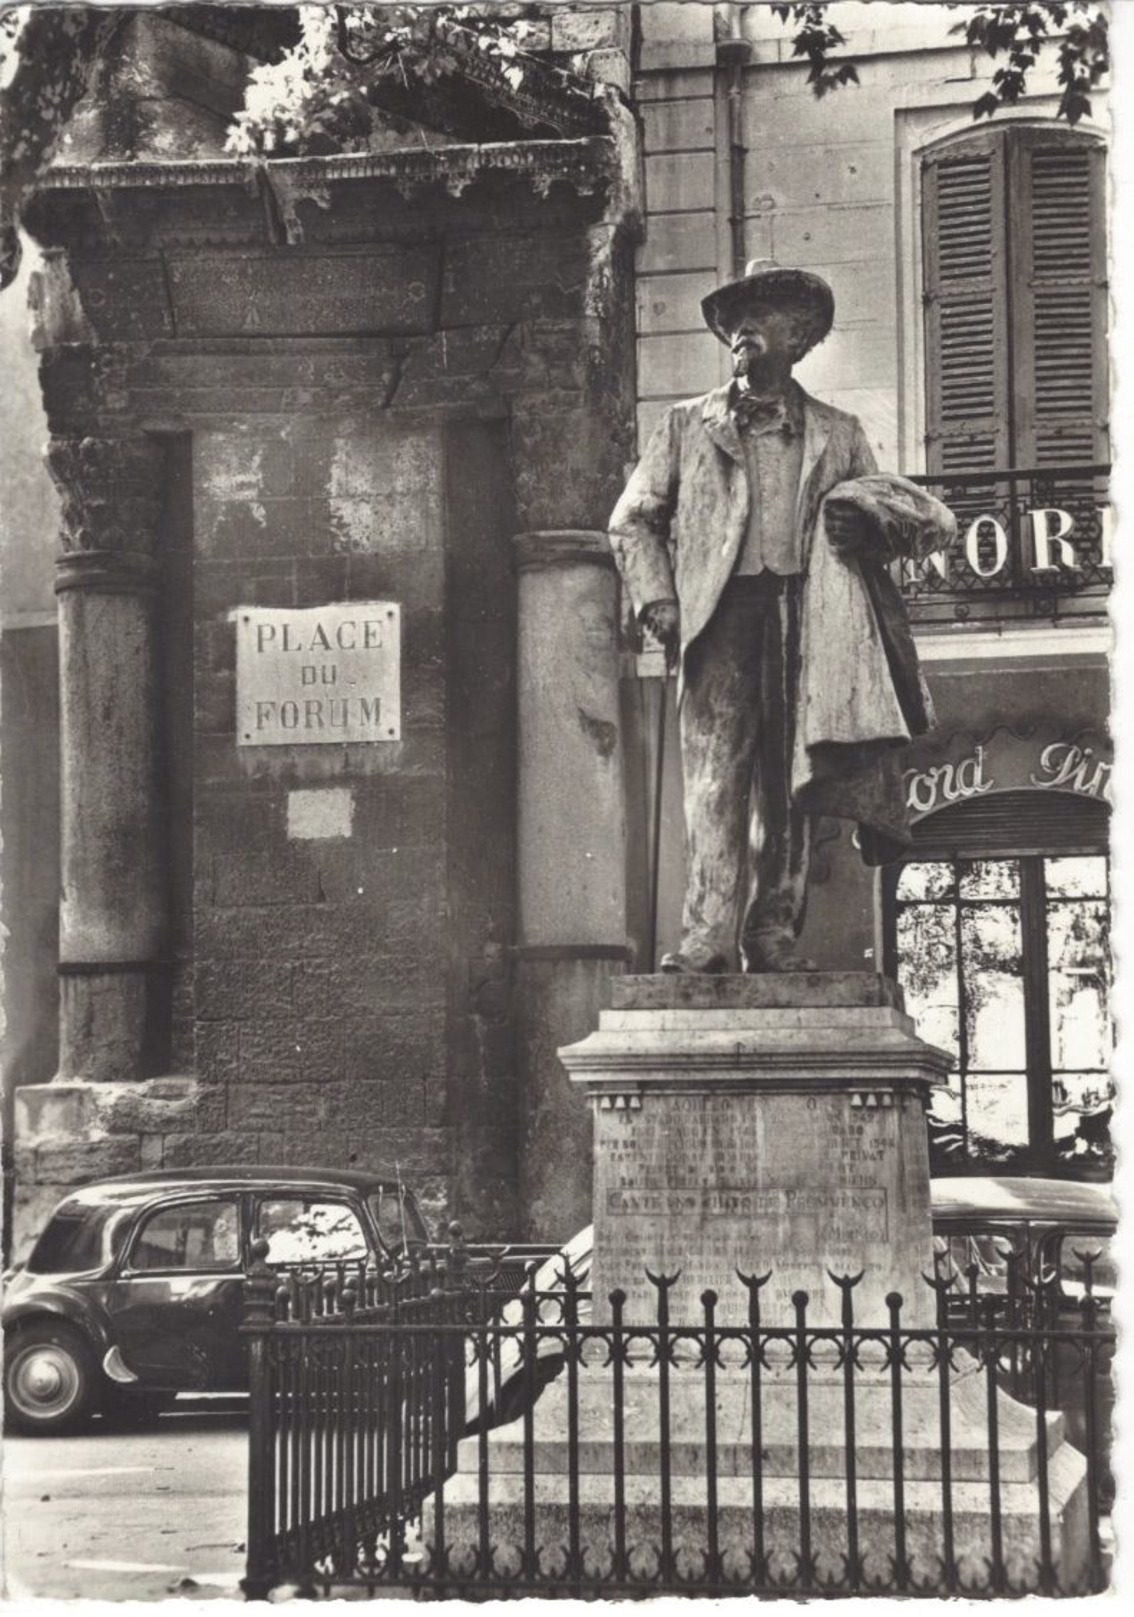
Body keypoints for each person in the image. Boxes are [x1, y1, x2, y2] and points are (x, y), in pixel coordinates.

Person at [609, 259, 955, 974]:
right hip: (718, 618)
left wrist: (870, 529)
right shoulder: (683, 426)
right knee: (713, 779)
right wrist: (658, 596)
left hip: (811, 622)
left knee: (791, 787)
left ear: (796, 337)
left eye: (760, 313)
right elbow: (633, 518)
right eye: (735, 316)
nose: (742, 328)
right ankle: (705, 937)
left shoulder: (840, 432)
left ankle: (772, 934)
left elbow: (902, 516)